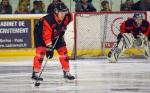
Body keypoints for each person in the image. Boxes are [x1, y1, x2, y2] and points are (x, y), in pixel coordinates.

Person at [32, 2, 75, 80]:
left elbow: (70, 18)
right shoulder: (48, 20)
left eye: (64, 12)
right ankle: (35, 73)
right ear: (56, 12)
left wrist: (63, 28)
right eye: (61, 12)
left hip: (56, 34)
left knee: (63, 51)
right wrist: (49, 47)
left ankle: (66, 71)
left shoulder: (67, 16)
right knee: (41, 53)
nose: (63, 15)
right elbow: (46, 36)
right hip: (41, 35)